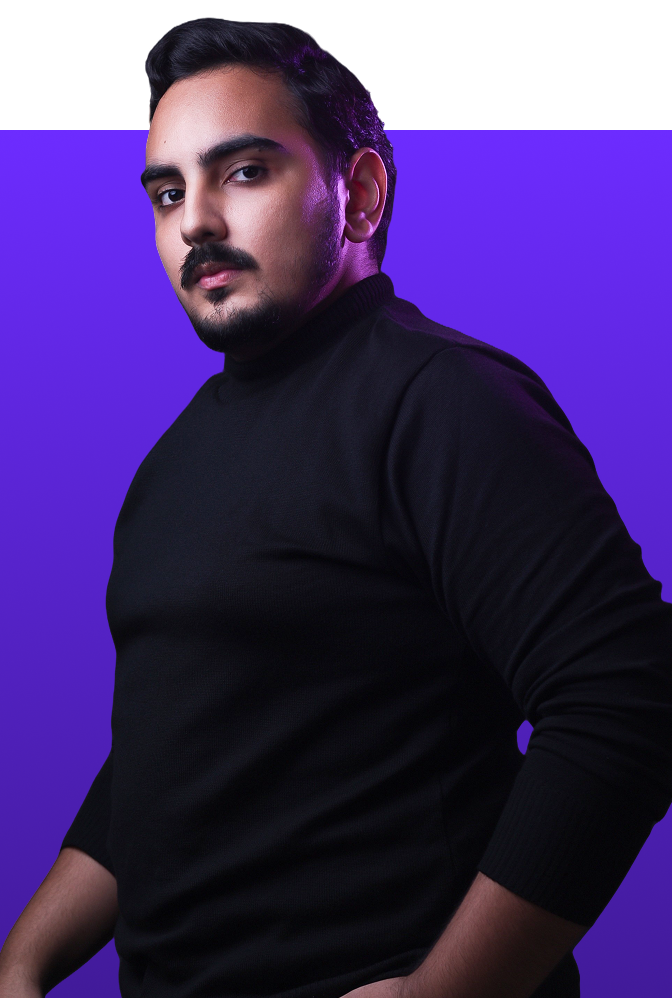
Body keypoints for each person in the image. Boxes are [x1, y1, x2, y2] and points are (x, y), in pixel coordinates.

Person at [1, 19, 671, 998]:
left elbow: (629, 695)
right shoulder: (171, 460)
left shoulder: (443, 400)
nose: (195, 223)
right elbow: (175, 749)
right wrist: (23, 960)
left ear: (358, 194)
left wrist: (447, 991)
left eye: (243, 172)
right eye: (168, 191)